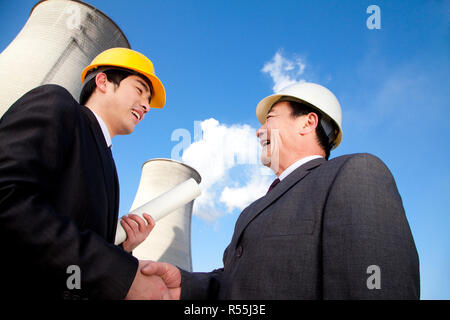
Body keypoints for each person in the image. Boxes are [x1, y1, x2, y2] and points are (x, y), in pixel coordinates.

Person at [142, 82, 420, 299]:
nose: (258, 131)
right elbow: (234, 283)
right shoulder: (252, 210)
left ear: (307, 122)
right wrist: (186, 284)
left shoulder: (356, 173)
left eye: (270, 118)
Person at [0, 47, 169, 299]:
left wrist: (122, 246)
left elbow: (73, 258)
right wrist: (119, 272)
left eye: (148, 100)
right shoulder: (56, 105)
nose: (145, 106)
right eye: (139, 90)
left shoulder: (110, 168)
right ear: (103, 81)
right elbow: (7, 197)